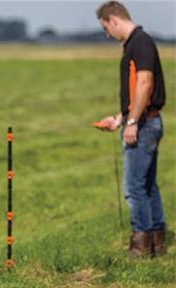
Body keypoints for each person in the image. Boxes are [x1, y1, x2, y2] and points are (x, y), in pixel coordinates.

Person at [95, 1, 166, 258]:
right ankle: (158, 242)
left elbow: (145, 84)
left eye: (106, 28)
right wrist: (120, 118)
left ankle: (141, 248)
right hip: (145, 120)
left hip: (144, 124)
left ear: (114, 19)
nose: (107, 35)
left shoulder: (140, 42)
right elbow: (138, 90)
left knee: (134, 188)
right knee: (148, 185)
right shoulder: (137, 43)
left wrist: (133, 123)